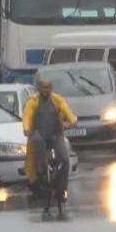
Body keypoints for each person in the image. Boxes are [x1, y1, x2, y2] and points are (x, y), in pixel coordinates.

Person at [21, 78, 77, 218]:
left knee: (64, 160)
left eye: (48, 88)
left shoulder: (57, 100)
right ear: (39, 89)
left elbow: (66, 110)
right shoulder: (32, 101)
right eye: (43, 88)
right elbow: (27, 116)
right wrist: (27, 128)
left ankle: (61, 189)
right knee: (38, 149)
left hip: (55, 136)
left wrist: (72, 120)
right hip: (39, 135)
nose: (46, 91)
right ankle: (40, 173)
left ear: (51, 89)